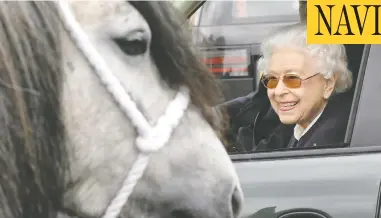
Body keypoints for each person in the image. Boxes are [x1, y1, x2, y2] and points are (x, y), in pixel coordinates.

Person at [221, 23, 354, 152]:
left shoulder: (332, 143)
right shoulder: (293, 127)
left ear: (328, 84)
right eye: (272, 79)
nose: (278, 91)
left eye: (292, 79)